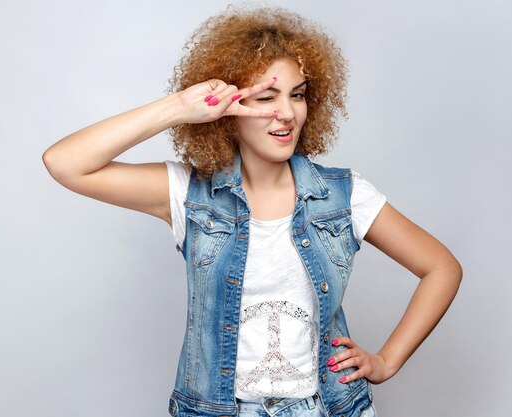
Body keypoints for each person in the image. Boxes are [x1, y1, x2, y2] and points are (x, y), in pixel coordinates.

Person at [42, 6, 462, 417]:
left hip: (326, 408)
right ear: (228, 110)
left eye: (297, 94)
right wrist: (179, 108)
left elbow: (441, 268)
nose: (286, 113)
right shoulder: (190, 194)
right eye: (266, 96)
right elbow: (65, 163)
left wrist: (387, 361)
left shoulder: (342, 195)